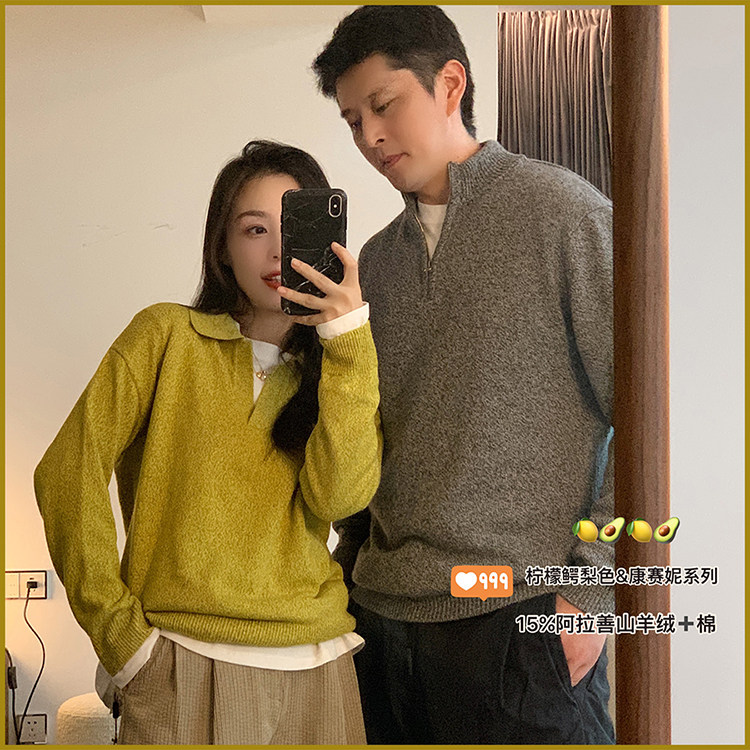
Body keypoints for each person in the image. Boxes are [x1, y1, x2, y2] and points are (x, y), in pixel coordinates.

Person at [312, 6, 615, 745]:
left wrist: (593, 593)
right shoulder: (373, 263)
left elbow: (653, 422)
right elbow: (369, 443)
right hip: (380, 625)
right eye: (352, 120)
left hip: (522, 619)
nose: (369, 136)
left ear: (450, 84)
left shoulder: (563, 212)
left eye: (383, 105)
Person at [33, 140, 382, 745]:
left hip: (319, 669)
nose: (276, 251)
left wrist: (347, 339)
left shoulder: (339, 368)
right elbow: (67, 472)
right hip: (180, 664)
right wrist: (122, 639)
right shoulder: (166, 336)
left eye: (292, 228)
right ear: (222, 244)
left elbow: (341, 499)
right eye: (254, 229)